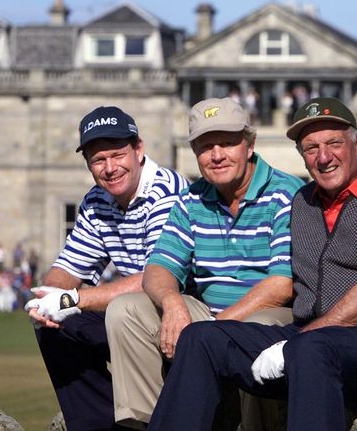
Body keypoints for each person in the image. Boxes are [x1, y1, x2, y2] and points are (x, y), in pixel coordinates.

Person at [147, 97, 357, 431]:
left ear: (356, 144)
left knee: (311, 350)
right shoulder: (304, 201)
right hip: (309, 336)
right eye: (311, 148)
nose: (324, 156)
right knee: (203, 337)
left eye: (333, 143)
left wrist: (292, 344)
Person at [104, 97, 303, 429]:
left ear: (249, 144)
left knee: (262, 326)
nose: (217, 155)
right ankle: (151, 421)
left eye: (227, 143)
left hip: (269, 313)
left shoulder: (287, 193)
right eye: (206, 146)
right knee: (126, 310)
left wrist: (214, 330)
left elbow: (283, 285)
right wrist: (172, 304)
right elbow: (159, 269)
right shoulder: (191, 198)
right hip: (209, 317)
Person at [24, 105, 188, 431]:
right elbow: (67, 267)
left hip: (180, 310)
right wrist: (47, 299)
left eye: (117, 155)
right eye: (98, 160)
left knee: (111, 310)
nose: (110, 168)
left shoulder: (166, 192)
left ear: (138, 149)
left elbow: (157, 278)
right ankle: (100, 425)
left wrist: (71, 300)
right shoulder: (97, 201)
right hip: (133, 313)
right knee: (56, 327)